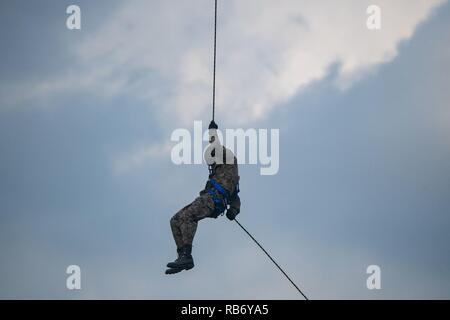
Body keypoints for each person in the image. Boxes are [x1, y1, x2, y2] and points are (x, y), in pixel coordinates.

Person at [166, 120, 241, 275]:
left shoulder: (229, 162)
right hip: (210, 199)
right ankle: (182, 255)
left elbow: (215, 146)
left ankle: (187, 256)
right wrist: (233, 211)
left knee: (188, 216)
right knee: (175, 220)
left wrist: (212, 131)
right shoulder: (220, 172)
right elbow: (236, 198)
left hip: (213, 200)